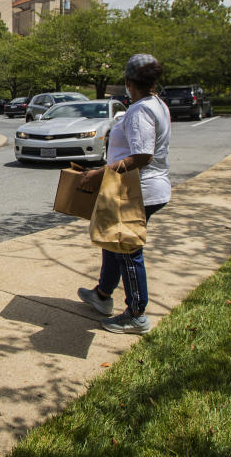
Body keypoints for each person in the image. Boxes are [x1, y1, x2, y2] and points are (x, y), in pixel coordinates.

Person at [75, 53, 171, 335]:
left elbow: (142, 156)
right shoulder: (157, 105)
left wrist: (100, 174)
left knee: (128, 250)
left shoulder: (140, 111)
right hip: (136, 188)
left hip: (138, 190)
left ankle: (137, 314)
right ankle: (102, 295)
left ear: (128, 82)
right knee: (112, 242)